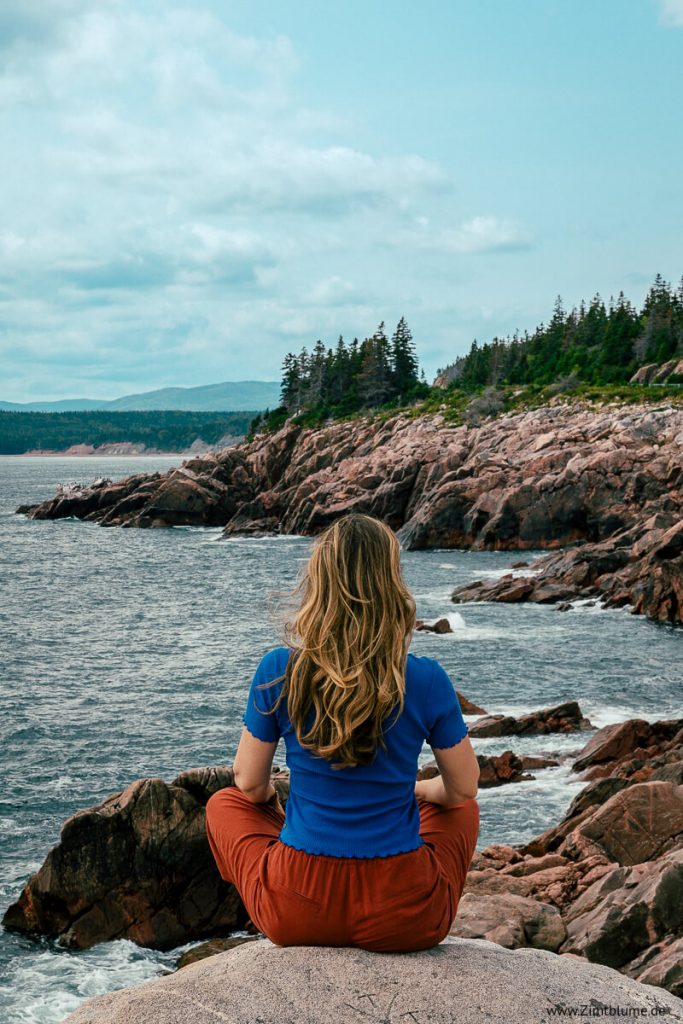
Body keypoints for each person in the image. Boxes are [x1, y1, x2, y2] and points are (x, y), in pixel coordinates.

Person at [205, 512, 480, 952]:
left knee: (223, 804)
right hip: (403, 915)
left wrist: (275, 807)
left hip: (297, 909)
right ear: (391, 584)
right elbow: (464, 789)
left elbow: (249, 783)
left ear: (319, 582)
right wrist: (422, 792)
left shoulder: (280, 670)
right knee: (461, 812)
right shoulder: (426, 679)